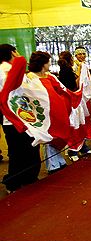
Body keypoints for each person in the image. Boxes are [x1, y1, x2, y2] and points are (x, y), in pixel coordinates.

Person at [0, 44, 41, 192]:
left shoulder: (6, 71)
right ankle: (18, 181)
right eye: (16, 50)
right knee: (24, 150)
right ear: (12, 52)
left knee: (18, 150)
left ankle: (20, 180)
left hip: (10, 118)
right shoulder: (8, 71)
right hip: (17, 117)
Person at [58, 51, 91, 161]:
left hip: (77, 101)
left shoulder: (67, 69)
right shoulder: (66, 71)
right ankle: (72, 149)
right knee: (74, 125)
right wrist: (80, 72)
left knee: (81, 123)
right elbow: (74, 85)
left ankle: (82, 145)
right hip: (72, 101)